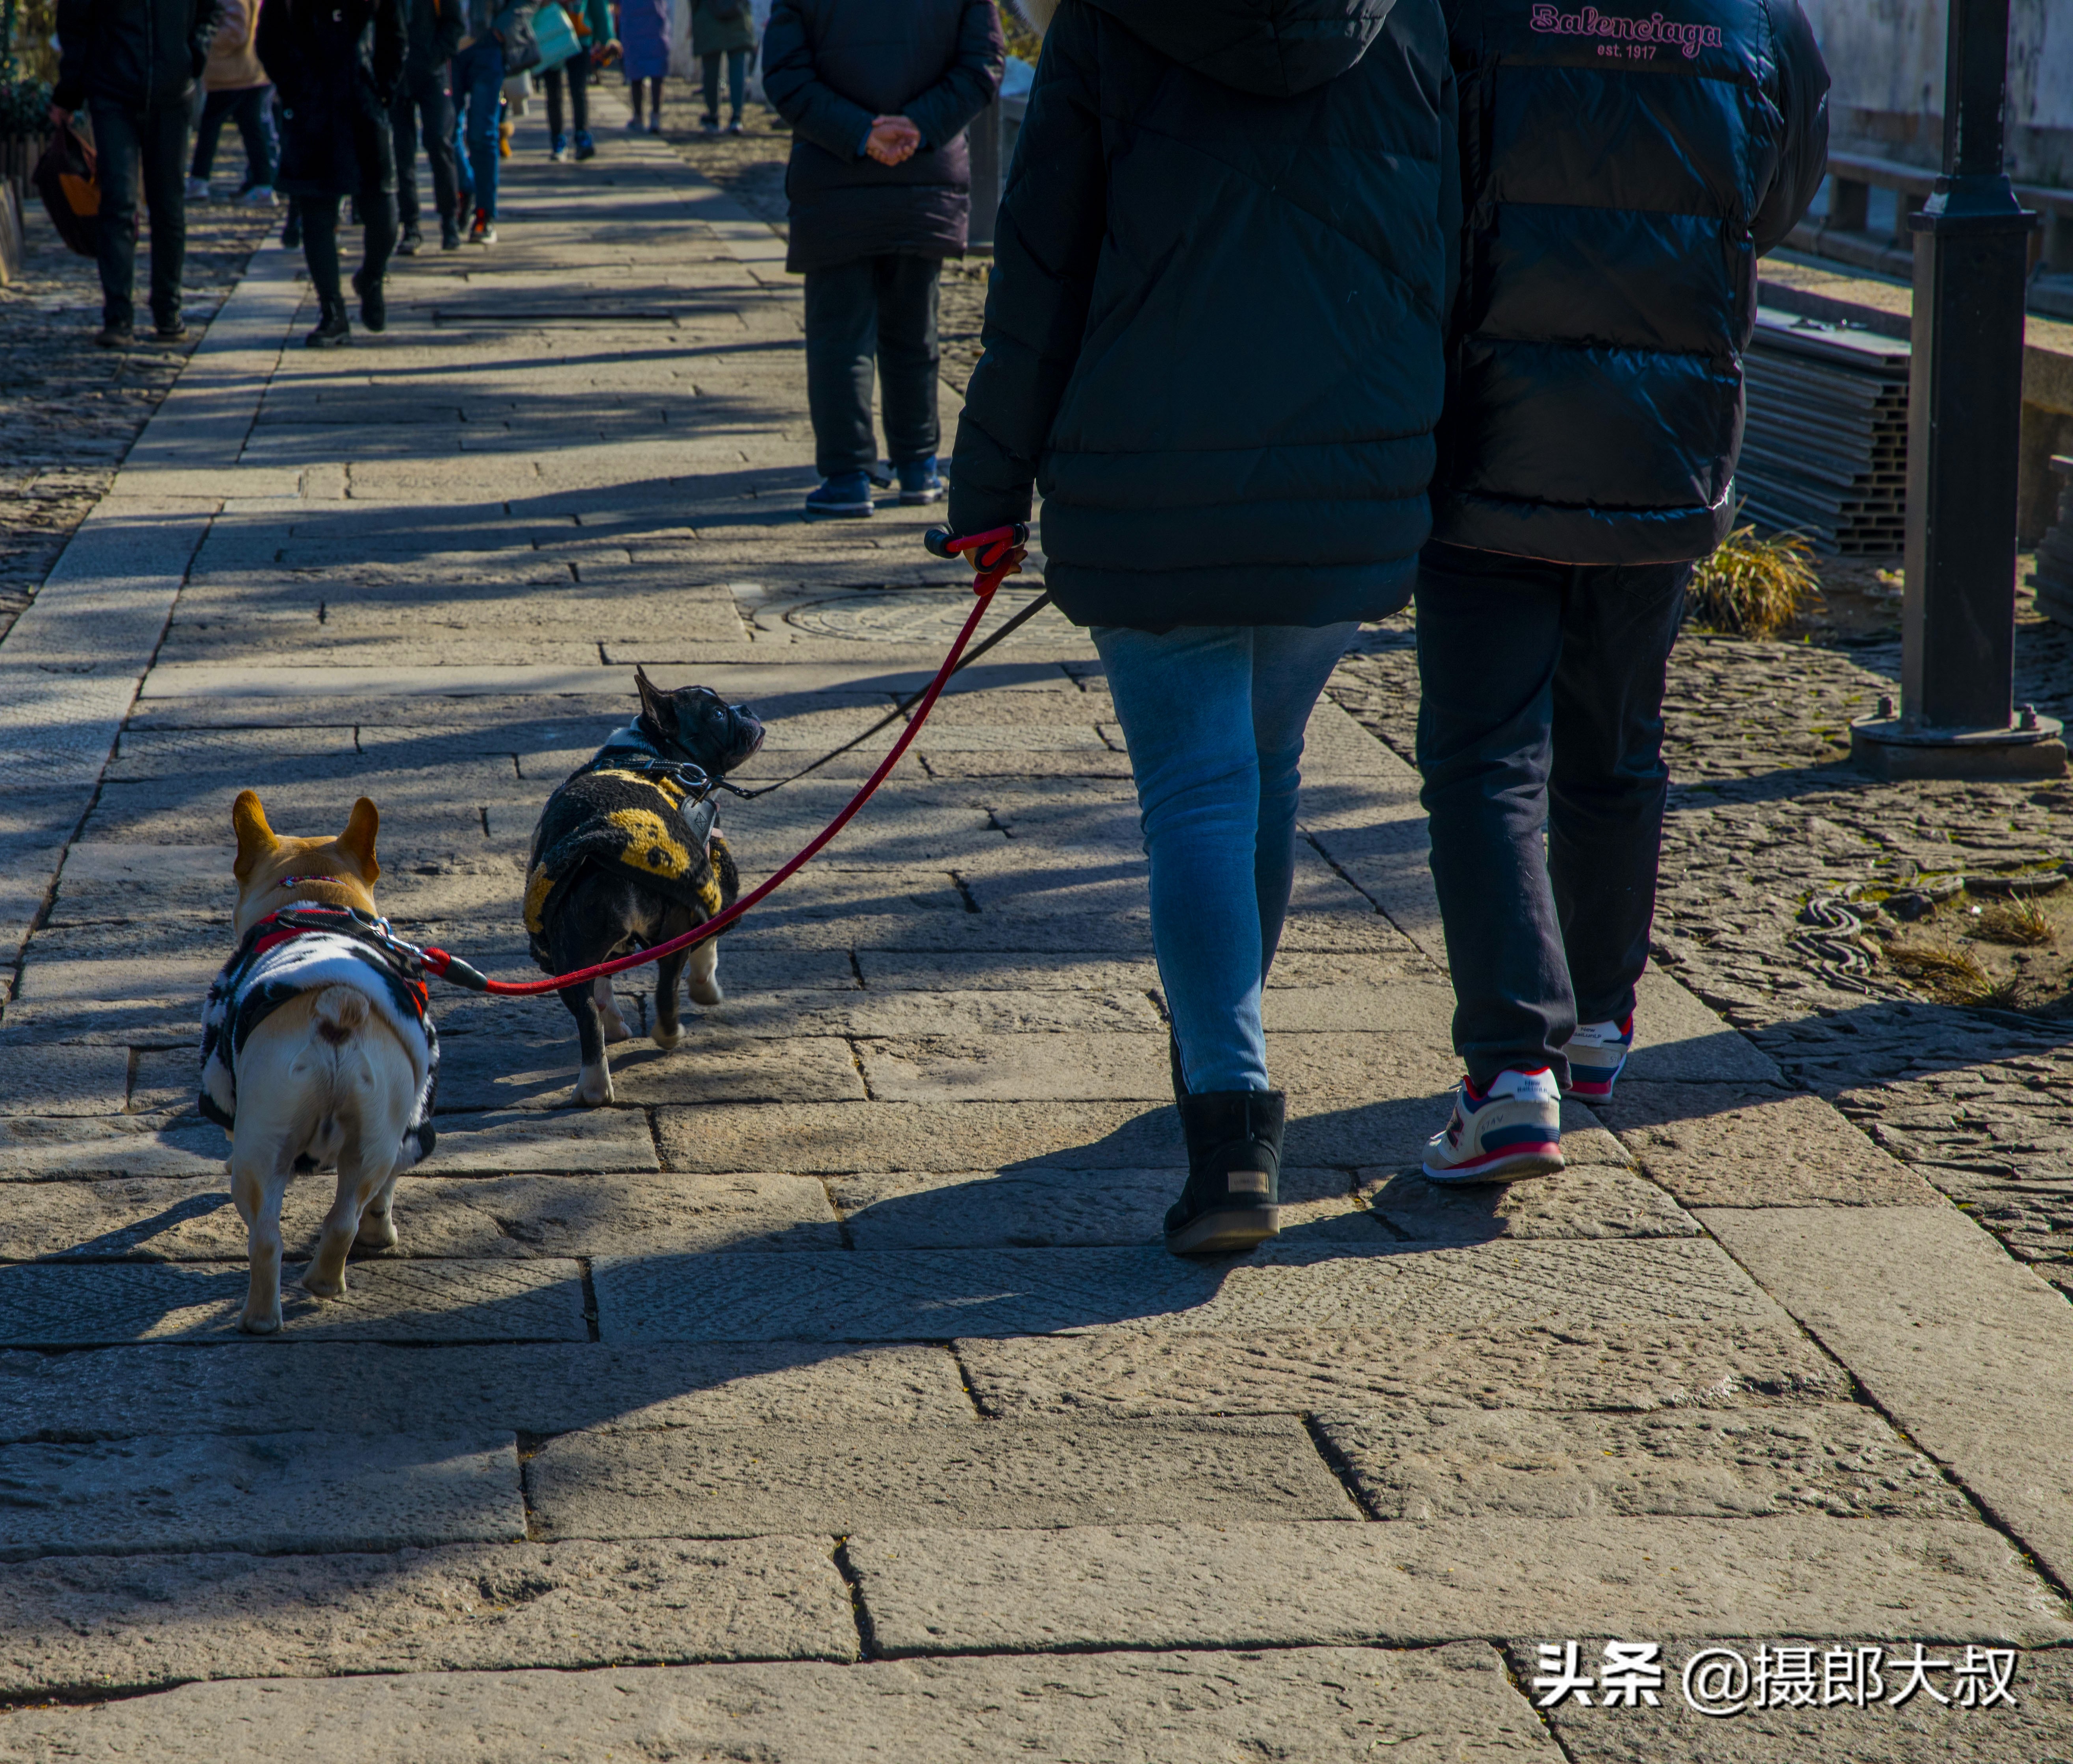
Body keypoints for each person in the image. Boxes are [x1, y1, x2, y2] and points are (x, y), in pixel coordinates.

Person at [946, 0, 1458, 1254]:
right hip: (1348, 469)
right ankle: (1222, 1026)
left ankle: (1228, 1114)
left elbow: (1043, 262)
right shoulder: (1412, 23)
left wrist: (988, 491)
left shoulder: (1107, 26)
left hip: (1148, 472)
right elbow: (1442, 240)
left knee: (1196, 791)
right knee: (1262, 769)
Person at [1411, 0, 1829, 1183]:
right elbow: (1776, 191)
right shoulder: (1757, 19)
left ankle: (1506, 1071)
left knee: (1485, 755)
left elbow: (1415, 184)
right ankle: (1594, 1021)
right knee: (1617, 736)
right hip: (1666, 426)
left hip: (1487, 425)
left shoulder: (1465, 11)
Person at [764, 0, 1000, 517]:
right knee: (916, 330)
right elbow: (983, 64)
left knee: (839, 338)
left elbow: (784, 74)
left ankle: (849, 478)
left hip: (834, 178)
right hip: (925, 178)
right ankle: (918, 467)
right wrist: (918, 125)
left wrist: (860, 132)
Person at [52, 0, 213, 346]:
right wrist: (69, 93)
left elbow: (209, 11)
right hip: (113, 89)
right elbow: (75, 22)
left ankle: (168, 310)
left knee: (168, 206)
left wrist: (195, 56)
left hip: (172, 91)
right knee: (119, 202)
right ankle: (118, 316)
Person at [259, 0, 407, 343]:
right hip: (313, 111)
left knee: (384, 215)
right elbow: (269, 40)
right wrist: (297, 88)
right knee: (317, 215)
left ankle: (371, 276)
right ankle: (333, 311)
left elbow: (394, 34)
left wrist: (383, 90)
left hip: (365, 106)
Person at [450, 0, 534, 243]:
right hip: (447, 42)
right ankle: (466, 187)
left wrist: (501, 29)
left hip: (486, 43)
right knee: (444, 132)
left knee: (482, 132)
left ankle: (485, 214)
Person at [392, 0, 468, 251]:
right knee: (403, 154)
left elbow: (455, 24)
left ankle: (449, 221)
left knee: (439, 142)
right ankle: (411, 226)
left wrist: (435, 54)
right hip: (396, 74)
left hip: (433, 71)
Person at [189, 0, 279, 202]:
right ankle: (263, 184)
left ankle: (199, 180)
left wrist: (204, 38)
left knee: (211, 128)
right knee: (252, 129)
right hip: (247, 71)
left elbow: (236, 32)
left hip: (232, 73)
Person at [540, 0, 615, 160]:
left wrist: (605, 39)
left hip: (580, 38)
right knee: (554, 92)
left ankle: (582, 138)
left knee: (579, 90)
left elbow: (598, 7)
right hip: (551, 35)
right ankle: (558, 142)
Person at [691, 0, 755, 132]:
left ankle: (713, 115)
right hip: (738, 17)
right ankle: (737, 116)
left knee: (711, 72)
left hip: (707, 19)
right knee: (738, 70)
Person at [621, 0, 669, 130]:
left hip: (633, 28)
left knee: (636, 72)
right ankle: (656, 116)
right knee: (657, 73)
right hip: (656, 26)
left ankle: (638, 116)